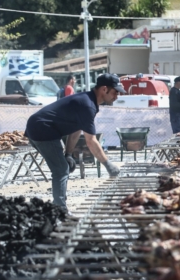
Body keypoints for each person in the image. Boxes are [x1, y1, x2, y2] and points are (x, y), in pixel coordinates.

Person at [24, 73, 125, 208]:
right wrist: (108, 165)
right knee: (61, 169)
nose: (117, 96)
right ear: (104, 89)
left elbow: (76, 128)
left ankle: (59, 206)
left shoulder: (88, 101)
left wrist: (69, 154)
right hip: (42, 128)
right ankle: (60, 210)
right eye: (115, 92)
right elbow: (91, 141)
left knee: (62, 167)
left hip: (39, 127)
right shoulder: (88, 105)